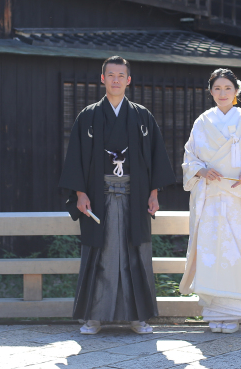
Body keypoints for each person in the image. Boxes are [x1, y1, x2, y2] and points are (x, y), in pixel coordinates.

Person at [59, 56, 176, 335]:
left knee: (136, 254)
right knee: (98, 255)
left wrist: (154, 193)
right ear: (102, 79)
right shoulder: (87, 116)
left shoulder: (142, 116)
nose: (115, 79)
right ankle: (93, 317)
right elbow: (75, 159)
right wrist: (79, 193)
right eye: (110, 74)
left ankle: (139, 318)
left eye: (120, 75)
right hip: (98, 198)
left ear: (128, 80)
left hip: (134, 196)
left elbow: (155, 158)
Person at [179, 68, 241, 334]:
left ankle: (234, 313)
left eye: (227, 89)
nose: (222, 93)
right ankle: (214, 312)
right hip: (210, 197)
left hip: (238, 198)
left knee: (236, 252)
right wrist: (201, 171)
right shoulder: (202, 122)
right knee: (211, 252)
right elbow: (189, 157)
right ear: (211, 92)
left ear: (236, 92)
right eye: (217, 89)